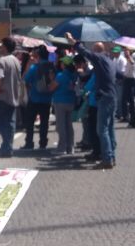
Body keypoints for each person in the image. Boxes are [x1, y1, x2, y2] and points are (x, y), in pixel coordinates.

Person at [68, 35, 118, 169]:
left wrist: (73, 42)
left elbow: (85, 52)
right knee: (110, 129)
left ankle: (107, 159)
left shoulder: (99, 58)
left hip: (104, 97)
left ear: (96, 51)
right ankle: (111, 156)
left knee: (102, 129)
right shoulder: (109, 60)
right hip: (111, 96)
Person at [22, 47, 54, 150]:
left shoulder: (34, 67)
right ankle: (43, 142)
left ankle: (29, 142)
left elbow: (26, 80)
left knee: (30, 122)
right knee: (44, 122)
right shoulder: (51, 67)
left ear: (38, 56)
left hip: (34, 98)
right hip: (47, 98)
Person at [50, 54, 78, 154]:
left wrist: (51, 79)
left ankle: (61, 148)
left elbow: (52, 87)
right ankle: (70, 147)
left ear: (64, 65)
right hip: (71, 101)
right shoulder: (74, 75)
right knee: (69, 125)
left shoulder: (60, 75)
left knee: (61, 126)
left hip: (60, 101)